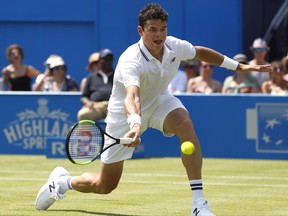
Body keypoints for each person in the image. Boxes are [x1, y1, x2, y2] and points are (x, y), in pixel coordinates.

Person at [35, 3, 272, 216]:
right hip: (122, 117)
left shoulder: (174, 45)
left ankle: (199, 204)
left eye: (163, 28)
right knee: (105, 186)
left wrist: (239, 66)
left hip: (159, 101)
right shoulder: (131, 60)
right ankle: (62, 182)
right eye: (152, 29)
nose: (159, 35)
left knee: (185, 124)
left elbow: (199, 52)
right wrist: (135, 123)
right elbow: (132, 96)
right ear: (141, 31)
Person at [77, 49, 114, 120]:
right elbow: (84, 97)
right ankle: (87, 132)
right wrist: (88, 103)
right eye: (105, 59)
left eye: (109, 59)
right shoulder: (91, 77)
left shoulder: (117, 75)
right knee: (82, 114)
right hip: (95, 106)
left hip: (113, 106)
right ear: (100, 61)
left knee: (112, 118)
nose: (107, 62)